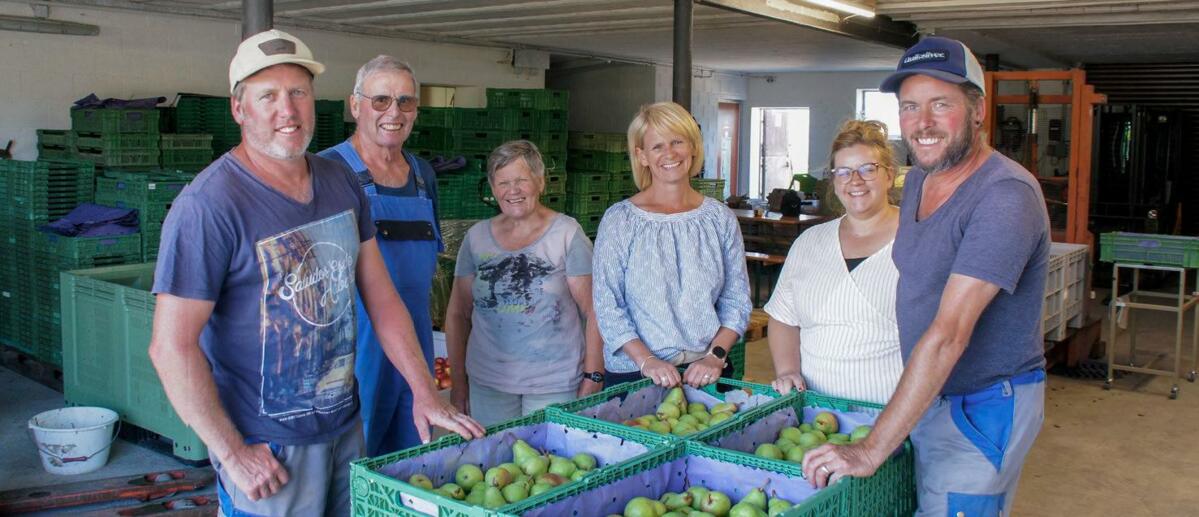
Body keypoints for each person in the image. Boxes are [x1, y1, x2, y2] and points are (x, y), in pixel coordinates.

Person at [147, 30, 483, 517]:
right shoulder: (209, 206)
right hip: (270, 447)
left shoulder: (337, 181)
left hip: (346, 428)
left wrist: (424, 391)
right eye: (268, 96)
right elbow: (170, 346)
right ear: (239, 109)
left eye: (299, 92)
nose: (288, 110)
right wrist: (232, 452)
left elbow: (382, 297)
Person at [799, 36, 1049, 517]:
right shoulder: (917, 181)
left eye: (941, 104)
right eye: (910, 106)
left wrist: (871, 448)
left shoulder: (1005, 196)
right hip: (928, 394)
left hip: (981, 403)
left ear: (978, 110)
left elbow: (950, 333)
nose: (923, 123)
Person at [316, 56, 444, 457]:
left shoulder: (424, 176)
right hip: (353, 350)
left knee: (410, 457)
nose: (394, 112)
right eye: (381, 100)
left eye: (406, 102)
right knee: (352, 460)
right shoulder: (327, 171)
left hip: (415, 344)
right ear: (355, 106)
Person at [592, 101, 751, 389]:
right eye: (657, 146)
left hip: (707, 371)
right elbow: (607, 305)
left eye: (677, 141)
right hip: (635, 374)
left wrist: (715, 356)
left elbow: (736, 301)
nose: (670, 153)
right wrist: (647, 361)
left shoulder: (719, 218)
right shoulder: (620, 221)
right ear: (641, 156)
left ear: (693, 146)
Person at [444, 140, 604, 426]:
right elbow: (457, 313)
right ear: (493, 189)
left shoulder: (567, 233)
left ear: (540, 182)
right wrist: (458, 382)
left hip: (554, 383)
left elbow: (594, 311)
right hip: (488, 383)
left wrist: (594, 375)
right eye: (503, 182)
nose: (512, 191)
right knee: (495, 466)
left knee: (551, 464)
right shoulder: (477, 237)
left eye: (521, 180)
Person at [764, 119, 902, 406]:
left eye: (868, 169)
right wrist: (788, 370)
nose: (855, 180)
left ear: (890, 175)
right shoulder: (810, 242)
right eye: (844, 172)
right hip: (816, 415)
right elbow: (783, 318)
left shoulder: (921, 239)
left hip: (894, 417)